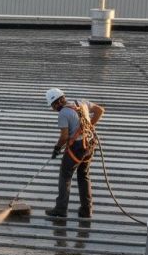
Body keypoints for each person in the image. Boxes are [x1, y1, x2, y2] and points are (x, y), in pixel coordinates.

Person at [44, 87, 104, 219]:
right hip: (88, 144)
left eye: (52, 106)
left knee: (65, 176)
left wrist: (56, 148)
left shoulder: (63, 114)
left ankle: (60, 209)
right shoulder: (81, 102)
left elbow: (65, 136)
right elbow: (100, 110)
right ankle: (86, 210)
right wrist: (88, 127)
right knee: (84, 176)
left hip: (77, 148)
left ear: (56, 103)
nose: (53, 109)